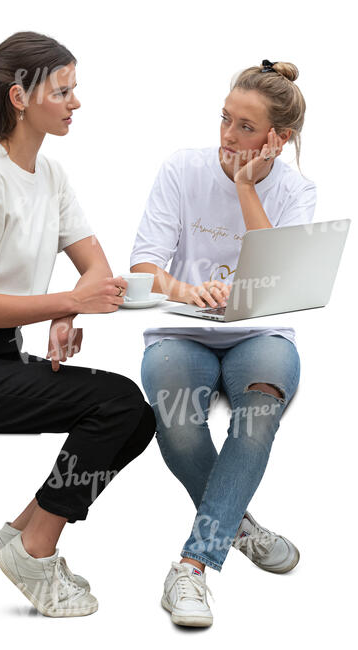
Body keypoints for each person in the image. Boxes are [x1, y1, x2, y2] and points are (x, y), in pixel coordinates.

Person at [0, 31, 155, 619]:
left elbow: (94, 266)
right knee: (115, 404)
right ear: (20, 96)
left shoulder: (51, 174)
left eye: (75, 90)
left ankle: (21, 537)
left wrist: (66, 311)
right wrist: (66, 299)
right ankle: (36, 549)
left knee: (136, 418)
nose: (76, 102)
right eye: (63, 91)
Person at [132, 59, 315, 627]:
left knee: (257, 416)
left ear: (276, 139)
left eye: (245, 127)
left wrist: (243, 186)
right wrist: (191, 291)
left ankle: (192, 566)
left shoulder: (296, 190)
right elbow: (142, 268)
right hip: (179, 329)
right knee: (178, 418)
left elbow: (281, 278)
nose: (228, 136)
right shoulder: (181, 170)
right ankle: (237, 523)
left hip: (260, 335)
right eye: (225, 119)